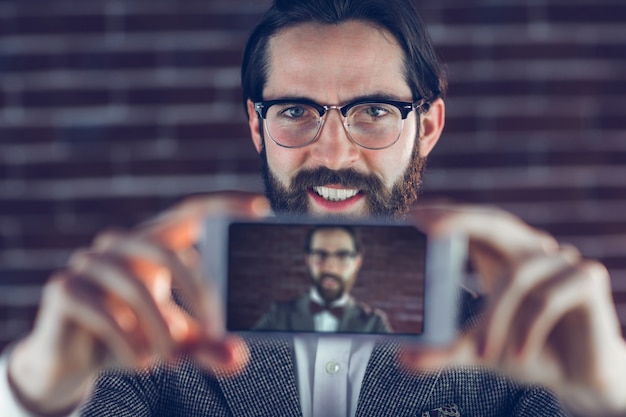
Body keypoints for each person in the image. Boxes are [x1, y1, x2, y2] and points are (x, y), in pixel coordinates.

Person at [2, 0, 626, 416]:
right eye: (295, 110)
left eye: (375, 111)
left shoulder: (518, 356)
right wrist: (28, 393)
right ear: (256, 125)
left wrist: (612, 399)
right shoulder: (153, 343)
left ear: (428, 126)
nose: (334, 152)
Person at [253, 225, 393, 333]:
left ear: (357, 262)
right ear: (307, 259)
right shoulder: (279, 315)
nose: (330, 268)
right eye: (320, 255)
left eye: (343, 256)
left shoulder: (375, 323)